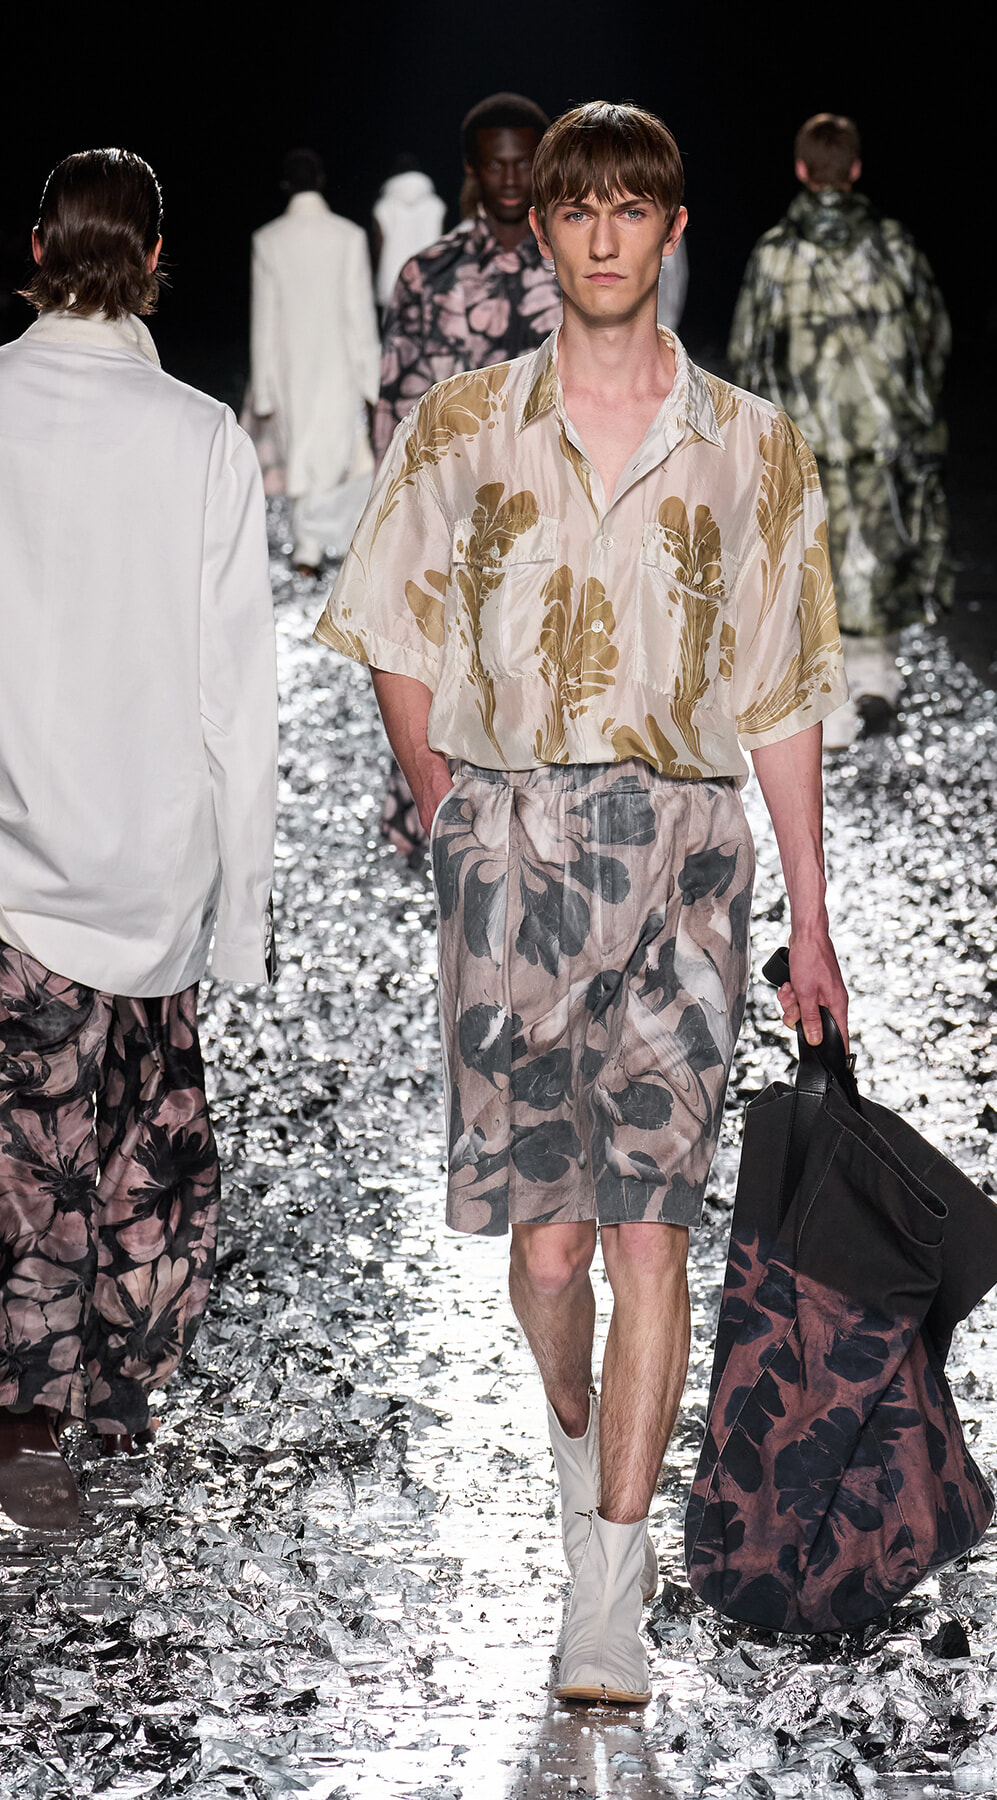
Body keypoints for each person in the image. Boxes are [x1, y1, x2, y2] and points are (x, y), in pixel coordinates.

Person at [315, 101, 848, 1704]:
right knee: (548, 1258)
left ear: (674, 230)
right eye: (577, 210)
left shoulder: (753, 445)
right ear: (540, 234)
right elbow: (395, 624)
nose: (605, 234)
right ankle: (578, 1447)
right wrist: (441, 800)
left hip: (686, 864)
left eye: (634, 208)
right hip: (514, 859)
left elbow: (787, 690)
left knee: (651, 1235)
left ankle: (606, 1594)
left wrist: (808, 918)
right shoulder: (466, 426)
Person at [0, 150, 277, 1527]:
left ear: (38, 247)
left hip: (12, 869)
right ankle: (113, 1394)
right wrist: (242, 914)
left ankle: (31, 1416)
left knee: (27, 1151)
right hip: (157, 870)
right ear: (157, 258)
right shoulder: (203, 438)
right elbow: (240, 697)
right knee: (141, 1148)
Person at [373, 93, 562, 862]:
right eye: (497, 162)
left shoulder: (580, 265)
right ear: (473, 171)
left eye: (526, 160)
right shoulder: (430, 272)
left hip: (558, 516)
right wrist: (394, 526)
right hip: (452, 521)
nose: (512, 176)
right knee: (437, 673)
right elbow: (395, 398)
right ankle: (432, 818)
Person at [729, 113, 952, 747]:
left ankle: (827, 707)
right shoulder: (894, 246)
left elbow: (747, 350)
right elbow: (934, 333)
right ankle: (877, 680)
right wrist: (913, 404)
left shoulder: (777, 252)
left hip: (803, 437)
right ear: (855, 169)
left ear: (801, 169)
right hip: (884, 433)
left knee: (811, 554)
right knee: (875, 548)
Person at [251, 148, 380, 577]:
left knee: (301, 447)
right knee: (338, 447)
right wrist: (371, 380)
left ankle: (308, 548)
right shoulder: (348, 236)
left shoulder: (268, 239)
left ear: (286, 185)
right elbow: (359, 313)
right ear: (321, 180)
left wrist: (265, 386)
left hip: (291, 361)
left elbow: (264, 320)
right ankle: (338, 541)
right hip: (338, 360)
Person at [371, 154, 446, 315]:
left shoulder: (384, 207)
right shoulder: (436, 205)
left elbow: (379, 246)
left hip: (392, 283)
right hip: (429, 281)